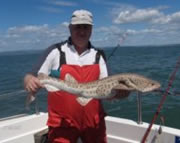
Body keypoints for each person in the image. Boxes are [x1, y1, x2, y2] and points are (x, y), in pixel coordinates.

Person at [24, 9, 129, 143]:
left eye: (86, 27)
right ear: (70, 28)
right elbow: (31, 75)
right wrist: (29, 81)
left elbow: (109, 94)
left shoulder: (99, 56)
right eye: (77, 27)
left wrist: (122, 93)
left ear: (91, 29)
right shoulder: (56, 51)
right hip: (62, 125)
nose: (82, 31)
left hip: (93, 125)